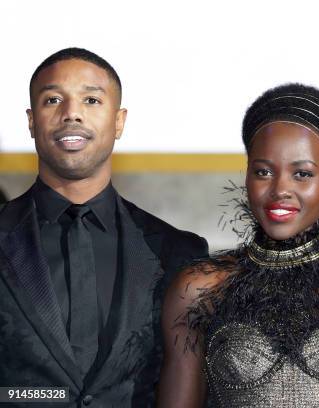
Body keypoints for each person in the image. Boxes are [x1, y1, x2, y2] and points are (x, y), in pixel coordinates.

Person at [158, 83, 319, 407]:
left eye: (302, 174)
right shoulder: (197, 288)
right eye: (264, 171)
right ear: (246, 176)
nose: (280, 188)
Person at [0, 48, 208, 407]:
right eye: (53, 100)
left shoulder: (179, 252)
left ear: (119, 121)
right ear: (32, 121)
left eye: (92, 99)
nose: (72, 114)